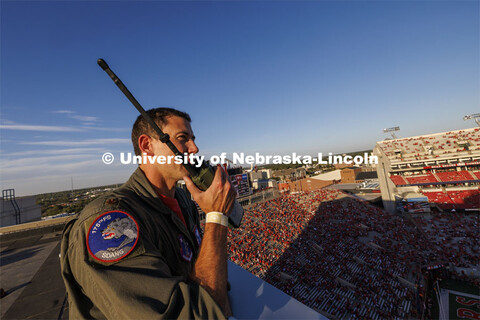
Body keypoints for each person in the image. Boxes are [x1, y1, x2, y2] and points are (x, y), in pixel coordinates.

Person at [60, 107, 237, 319]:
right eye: (183, 138)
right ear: (147, 146)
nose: (194, 148)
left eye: (193, 139)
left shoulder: (184, 200)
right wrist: (216, 216)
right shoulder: (112, 219)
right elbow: (201, 314)